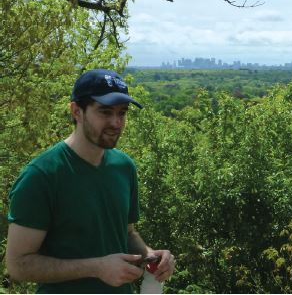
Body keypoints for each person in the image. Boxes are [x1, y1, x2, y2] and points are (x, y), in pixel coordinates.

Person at [7, 69, 175, 293]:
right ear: (77, 111)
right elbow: (18, 265)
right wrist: (96, 267)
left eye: (122, 113)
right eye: (105, 112)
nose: (116, 123)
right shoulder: (41, 176)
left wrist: (150, 256)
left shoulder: (124, 167)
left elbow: (125, 234)